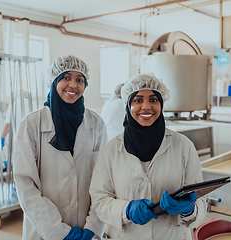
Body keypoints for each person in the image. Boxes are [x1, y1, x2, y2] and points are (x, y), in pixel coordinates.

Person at [89, 74, 206, 240]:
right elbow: (99, 201)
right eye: (137, 100)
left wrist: (190, 209)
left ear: (161, 104)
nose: (146, 106)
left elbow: (201, 200)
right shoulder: (111, 150)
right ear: (128, 105)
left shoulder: (183, 146)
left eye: (153, 100)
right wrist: (126, 210)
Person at [13, 55, 108, 240]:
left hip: (86, 228)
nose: (73, 85)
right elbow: (26, 184)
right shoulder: (33, 124)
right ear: (54, 81)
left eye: (79, 80)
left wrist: (94, 226)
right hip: (44, 230)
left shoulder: (96, 124)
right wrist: (57, 231)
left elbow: (104, 181)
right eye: (66, 77)